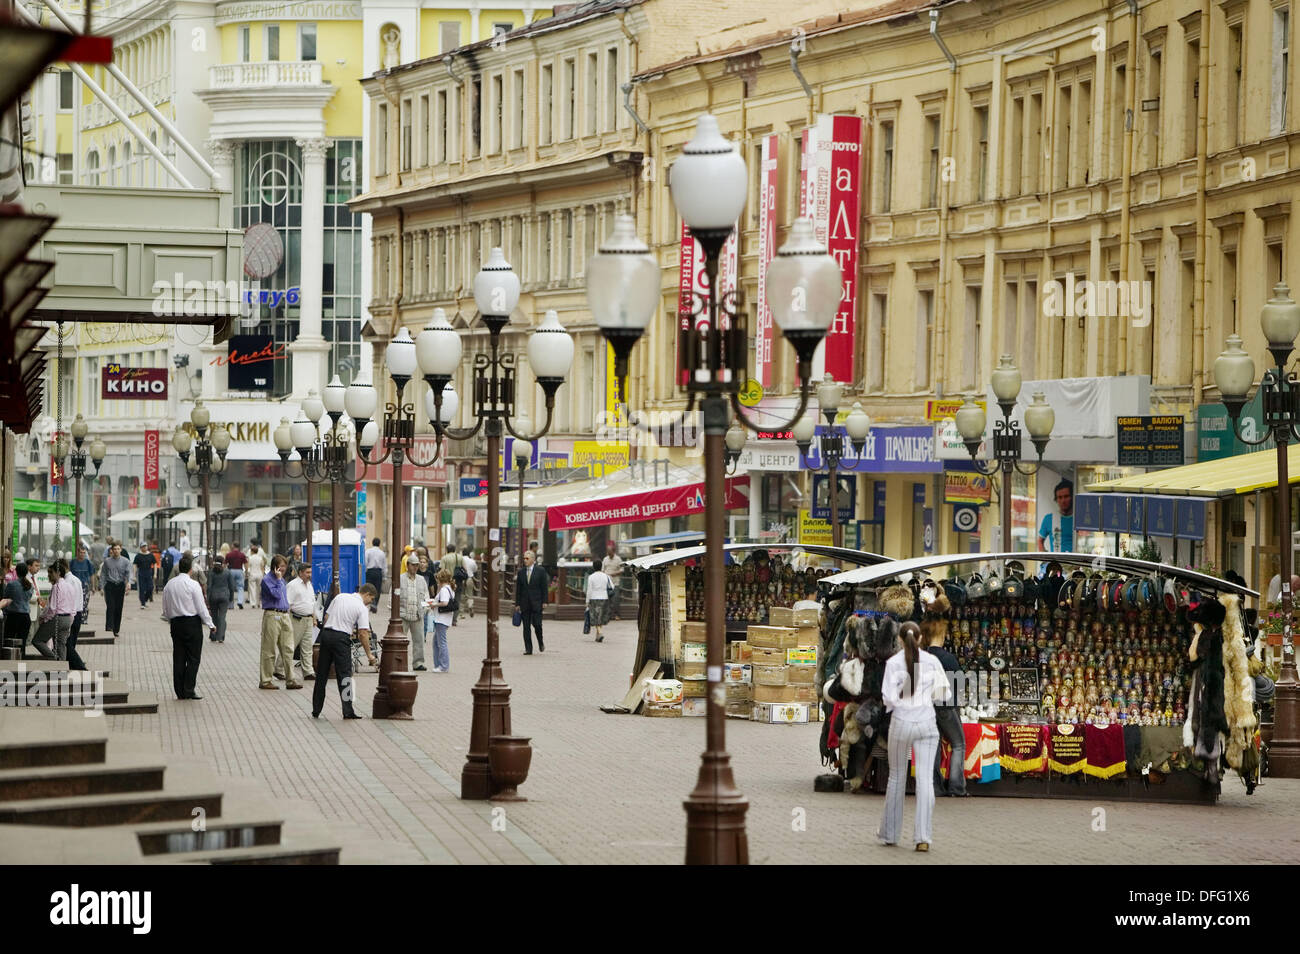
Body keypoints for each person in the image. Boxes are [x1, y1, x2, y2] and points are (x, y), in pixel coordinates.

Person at [878, 621, 950, 851]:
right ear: (920, 639)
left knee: (897, 777)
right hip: (927, 723)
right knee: (925, 780)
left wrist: (902, 702)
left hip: (900, 722)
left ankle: (890, 834)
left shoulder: (892, 663)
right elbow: (943, 694)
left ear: (900, 639)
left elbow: (888, 698)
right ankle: (922, 837)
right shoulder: (932, 661)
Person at [312, 583, 377, 720]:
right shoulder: (361, 608)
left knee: (322, 674)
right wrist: (369, 655)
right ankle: (348, 711)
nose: (369, 603)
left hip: (327, 635)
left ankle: (316, 709)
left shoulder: (340, 597)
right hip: (341, 639)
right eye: (371, 600)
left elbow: (326, 617)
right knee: (345, 676)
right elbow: (363, 633)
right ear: (367, 594)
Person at [922, 619, 966, 798]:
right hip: (946, 706)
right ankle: (956, 787)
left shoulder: (922, 656)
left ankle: (935, 786)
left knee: (934, 744)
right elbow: (960, 682)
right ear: (941, 635)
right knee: (958, 744)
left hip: (927, 707)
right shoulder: (947, 657)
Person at [161, 553, 214, 700]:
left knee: (178, 657)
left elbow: (165, 607)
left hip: (176, 624)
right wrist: (210, 623)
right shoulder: (193, 585)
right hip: (192, 623)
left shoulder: (169, 585)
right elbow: (201, 606)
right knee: (193, 658)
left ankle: (179, 691)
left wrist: (169, 617)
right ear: (191, 569)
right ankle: (189, 689)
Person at [259, 554, 298, 689]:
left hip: (284, 614)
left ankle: (290, 679)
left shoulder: (282, 580)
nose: (283, 569)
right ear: (275, 566)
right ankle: (265, 680)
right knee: (269, 649)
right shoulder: (267, 580)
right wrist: (278, 579)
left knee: (288, 648)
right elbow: (275, 594)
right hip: (272, 614)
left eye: (285, 566)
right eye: (281, 566)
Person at [285, 562, 318, 680]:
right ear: (300, 573)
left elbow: (312, 603)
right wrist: (286, 620)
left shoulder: (310, 585)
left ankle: (308, 671)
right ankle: (280, 669)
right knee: (290, 646)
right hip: (296, 619)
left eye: (310, 572)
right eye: (307, 572)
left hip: (308, 619)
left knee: (307, 647)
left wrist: (314, 618)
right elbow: (287, 603)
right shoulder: (293, 585)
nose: (309, 575)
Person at [514, 549, 549, 654]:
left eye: (527, 558)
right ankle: (528, 648)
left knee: (537, 624)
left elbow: (544, 587)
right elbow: (518, 589)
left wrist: (545, 601)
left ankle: (540, 642)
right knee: (526, 627)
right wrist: (517, 603)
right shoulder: (521, 572)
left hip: (537, 603)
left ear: (533, 560)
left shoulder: (541, 571)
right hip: (525, 603)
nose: (525, 560)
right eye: (524, 558)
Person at [399, 558, 430, 671]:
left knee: (419, 640)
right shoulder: (400, 578)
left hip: (418, 614)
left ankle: (418, 663)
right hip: (403, 615)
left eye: (417, 565)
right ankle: (400, 661)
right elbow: (394, 594)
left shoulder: (421, 580)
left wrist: (425, 608)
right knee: (400, 641)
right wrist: (393, 610)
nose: (415, 567)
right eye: (413, 565)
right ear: (407, 565)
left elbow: (426, 595)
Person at [49, 558, 83, 662]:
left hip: (70, 614)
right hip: (76, 612)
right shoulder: (76, 579)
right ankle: (71, 664)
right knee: (69, 643)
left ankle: (78, 665)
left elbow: (67, 600)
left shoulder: (67, 581)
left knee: (67, 644)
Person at [30, 563, 60, 660]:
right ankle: (61, 663)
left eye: (49, 574)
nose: (48, 576)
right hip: (67, 618)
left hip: (54, 618)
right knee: (61, 644)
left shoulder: (56, 587)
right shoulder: (65, 585)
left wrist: (44, 618)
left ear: (55, 573)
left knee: (37, 640)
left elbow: (52, 608)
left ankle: (54, 658)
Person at [100, 544, 130, 638]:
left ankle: (116, 629)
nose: (116, 551)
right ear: (111, 550)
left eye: (118, 549)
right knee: (110, 606)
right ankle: (109, 627)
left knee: (118, 608)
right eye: (115, 549)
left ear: (120, 550)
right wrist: (101, 587)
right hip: (110, 585)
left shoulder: (125, 561)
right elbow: (103, 574)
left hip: (120, 586)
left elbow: (128, 573)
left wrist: (128, 583)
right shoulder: (107, 561)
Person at [3, 562, 33, 654]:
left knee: (9, 642)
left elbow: (5, 598)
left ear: (16, 572)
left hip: (13, 616)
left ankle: (10, 664)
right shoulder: (30, 585)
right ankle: (21, 664)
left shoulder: (11, 584)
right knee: (22, 644)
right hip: (26, 617)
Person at [1038, 478, 1075, 552]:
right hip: (1056, 563)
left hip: (1075, 562)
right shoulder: (1049, 519)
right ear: (1056, 499)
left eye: (1066, 496)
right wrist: (1046, 560)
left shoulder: (1079, 519)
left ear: (1072, 497)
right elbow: (1040, 541)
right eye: (1060, 497)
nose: (1063, 501)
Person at [207, 555, 237, 643]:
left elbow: (209, 586)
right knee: (222, 617)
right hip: (224, 597)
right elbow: (232, 587)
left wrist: (208, 599)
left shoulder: (211, 572)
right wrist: (231, 598)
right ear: (223, 563)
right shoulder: (227, 572)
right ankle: (220, 636)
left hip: (213, 596)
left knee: (214, 617)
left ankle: (213, 635)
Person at [430, 568, 454, 672]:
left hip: (441, 619)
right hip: (444, 618)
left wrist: (434, 604)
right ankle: (438, 664)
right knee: (436, 642)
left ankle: (443, 666)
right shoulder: (449, 588)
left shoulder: (444, 589)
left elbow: (444, 603)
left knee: (441, 642)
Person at [585, 558, 613, 643]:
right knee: (600, 616)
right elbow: (612, 586)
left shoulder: (591, 577)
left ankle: (600, 633)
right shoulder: (606, 576)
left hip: (594, 598)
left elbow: (589, 590)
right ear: (601, 567)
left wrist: (587, 601)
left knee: (595, 617)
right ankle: (597, 636)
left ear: (593, 567)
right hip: (604, 597)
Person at [601, 540, 624, 621]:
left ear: (613, 552)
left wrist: (615, 573)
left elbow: (622, 569)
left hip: (615, 583)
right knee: (607, 601)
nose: (608, 553)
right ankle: (608, 616)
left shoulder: (618, 559)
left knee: (615, 600)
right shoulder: (605, 559)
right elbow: (602, 569)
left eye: (610, 552)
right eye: (608, 552)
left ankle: (617, 615)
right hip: (607, 583)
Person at [365, 538, 386, 612]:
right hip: (378, 572)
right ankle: (375, 604)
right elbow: (384, 566)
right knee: (377, 589)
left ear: (372, 543)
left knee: (369, 588)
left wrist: (365, 572)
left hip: (370, 572)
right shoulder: (382, 553)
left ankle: (369, 603)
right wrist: (384, 576)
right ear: (379, 543)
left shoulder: (368, 551)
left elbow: (365, 562)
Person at [225, 542, 248, 609]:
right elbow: (246, 564)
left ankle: (230, 604)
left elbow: (225, 564)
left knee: (230, 588)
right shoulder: (242, 554)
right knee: (240, 587)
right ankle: (240, 601)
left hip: (231, 571)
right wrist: (246, 572)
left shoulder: (229, 554)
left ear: (233, 546)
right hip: (240, 571)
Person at [133, 542, 155, 607]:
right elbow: (135, 565)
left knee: (150, 587)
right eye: (143, 546)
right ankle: (142, 603)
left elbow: (155, 563)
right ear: (141, 548)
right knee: (142, 588)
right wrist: (134, 575)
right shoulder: (138, 556)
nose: (144, 548)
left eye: (145, 546)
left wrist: (155, 573)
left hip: (149, 572)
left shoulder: (150, 555)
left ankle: (145, 599)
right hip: (141, 572)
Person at [247, 543, 267, 610]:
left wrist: (247, 573)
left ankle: (253, 603)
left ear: (252, 551)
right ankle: (258, 603)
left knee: (252, 588)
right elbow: (262, 566)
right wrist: (263, 573)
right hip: (259, 574)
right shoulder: (260, 558)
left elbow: (248, 566)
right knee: (259, 589)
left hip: (252, 574)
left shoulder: (250, 558)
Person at [452, 551, 469, 626]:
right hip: (458, 582)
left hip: (448, 581)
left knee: (447, 599)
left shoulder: (445, 558)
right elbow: (465, 569)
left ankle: (447, 618)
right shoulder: (460, 558)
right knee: (457, 600)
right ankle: (454, 619)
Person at [461, 548, 477, 619]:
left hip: (461, 579)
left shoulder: (460, 560)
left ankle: (461, 613)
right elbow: (475, 569)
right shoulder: (472, 561)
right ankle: (470, 605)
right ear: (469, 554)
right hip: (469, 578)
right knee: (470, 594)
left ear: (462, 553)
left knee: (461, 596)